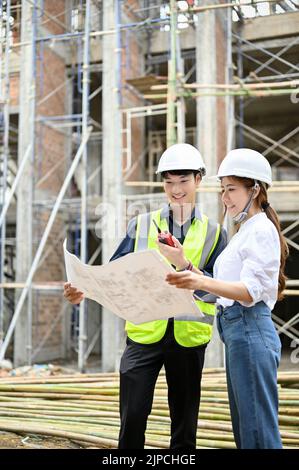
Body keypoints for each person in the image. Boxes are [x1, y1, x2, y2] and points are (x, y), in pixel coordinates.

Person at [64, 143, 227, 449]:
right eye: (169, 182)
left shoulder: (215, 233)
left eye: (183, 181)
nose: (175, 190)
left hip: (189, 337)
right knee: (133, 416)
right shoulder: (140, 225)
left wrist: (185, 268)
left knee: (184, 423)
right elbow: (114, 275)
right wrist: (83, 290)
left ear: (199, 180)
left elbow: (219, 291)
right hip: (143, 333)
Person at [166, 148, 288, 449]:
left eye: (232, 189)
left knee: (257, 433)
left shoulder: (260, 230)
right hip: (238, 334)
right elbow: (220, 289)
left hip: (249, 329)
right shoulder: (246, 230)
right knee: (247, 429)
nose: (225, 198)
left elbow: (248, 291)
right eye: (223, 190)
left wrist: (199, 279)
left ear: (255, 189)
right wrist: (184, 265)